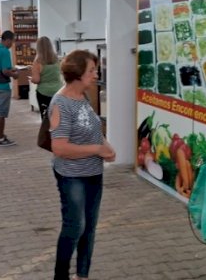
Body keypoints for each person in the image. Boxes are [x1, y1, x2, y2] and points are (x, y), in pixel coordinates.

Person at [48, 49, 116, 280]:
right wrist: (97, 149)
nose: (96, 74)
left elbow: (92, 130)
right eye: (91, 70)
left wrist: (106, 146)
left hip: (93, 173)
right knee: (75, 226)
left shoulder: (83, 98)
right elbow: (60, 147)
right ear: (77, 74)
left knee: (89, 228)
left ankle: (83, 275)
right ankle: (61, 275)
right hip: (72, 176)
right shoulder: (61, 103)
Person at [0, 30, 19, 146]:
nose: (12, 44)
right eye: (12, 41)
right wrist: (15, 75)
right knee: (1, 113)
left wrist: (11, 68)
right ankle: (1, 138)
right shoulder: (5, 52)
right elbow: (5, 71)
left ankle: (1, 134)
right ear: (8, 40)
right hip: (3, 86)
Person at [31, 36, 63, 120]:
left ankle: (47, 132)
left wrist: (32, 79)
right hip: (58, 91)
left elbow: (36, 79)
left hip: (43, 93)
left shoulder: (38, 62)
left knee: (46, 118)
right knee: (58, 117)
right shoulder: (56, 59)